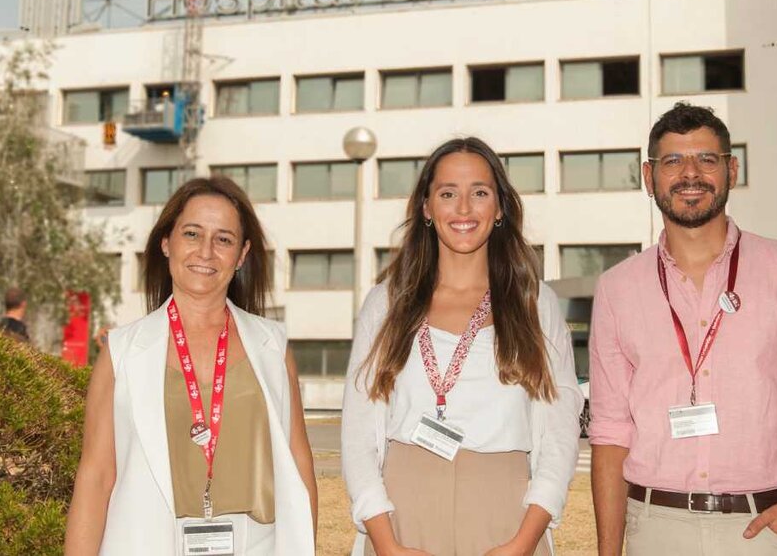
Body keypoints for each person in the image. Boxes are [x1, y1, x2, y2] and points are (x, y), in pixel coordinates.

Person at [589, 103, 777, 555]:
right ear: (648, 176)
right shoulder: (617, 289)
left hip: (764, 531)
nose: (690, 174)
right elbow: (610, 431)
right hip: (654, 530)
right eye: (673, 161)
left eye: (707, 159)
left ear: (732, 170)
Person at [342, 137, 582, 556]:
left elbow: (562, 431)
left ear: (501, 207)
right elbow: (358, 430)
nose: (465, 209)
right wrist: (385, 543)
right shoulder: (385, 302)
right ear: (426, 207)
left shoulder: (535, 303)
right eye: (448, 193)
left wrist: (525, 541)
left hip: (507, 516)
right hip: (402, 515)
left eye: (480, 193)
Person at [65, 177, 317, 555]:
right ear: (167, 243)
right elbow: (96, 477)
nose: (206, 251)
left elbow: (299, 465)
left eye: (224, 239)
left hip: (256, 544)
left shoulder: (273, 347)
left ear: (242, 254)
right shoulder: (121, 352)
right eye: (192, 234)